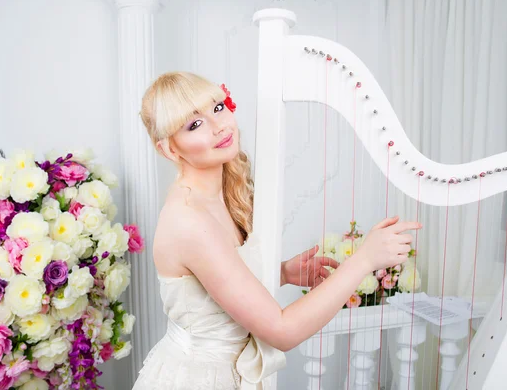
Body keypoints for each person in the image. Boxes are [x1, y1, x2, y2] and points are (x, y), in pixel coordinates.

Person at [131, 71, 421, 389]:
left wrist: (281, 272)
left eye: (216, 108)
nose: (219, 126)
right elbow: (282, 331)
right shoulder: (188, 220)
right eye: (194, 124)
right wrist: (363, 260)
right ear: (170, 150)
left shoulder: (219, 190)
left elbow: (215, 283)